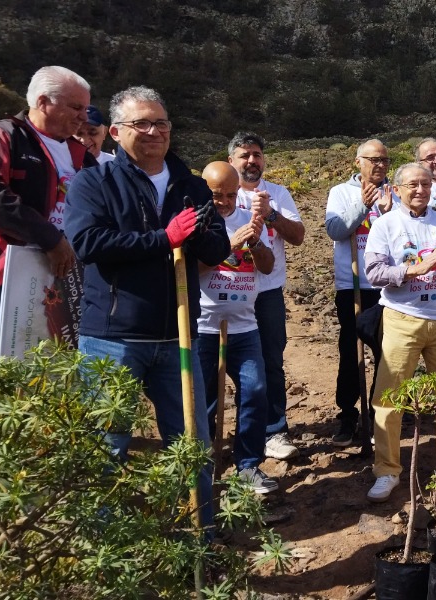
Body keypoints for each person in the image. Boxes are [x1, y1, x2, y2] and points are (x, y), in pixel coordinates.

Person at [66, 86, 230, 528]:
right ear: (116, 132)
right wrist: (164, 239)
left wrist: (193, 235)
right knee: (107, 445)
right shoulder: (94, 182)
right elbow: (87, 243)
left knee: (191, 442)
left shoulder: (191, 186)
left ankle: (200, 538)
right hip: (112, 338)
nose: (154, 131)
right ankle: (104, 546)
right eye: (142, 123)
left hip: (177, 336)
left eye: (161, 123)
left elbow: (217, 248)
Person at [0, 65, 92, 358]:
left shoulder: (81, 154)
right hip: (5, 272)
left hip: (67, 277)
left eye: (86, 108)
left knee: (52, 367)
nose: (84, 116)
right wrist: (51, 239)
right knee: (3, 364)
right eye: (76, 107)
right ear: (43, 102)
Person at [363, 163, 436, 502]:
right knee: (390, 396)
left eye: (425, 184)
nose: (420, 190)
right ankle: (387, 470)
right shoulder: (385, 224)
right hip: (401, 317)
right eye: (412, 185)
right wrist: (416, 268)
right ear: (396, 190)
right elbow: (374, 273)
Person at [196, 161, 277, 494]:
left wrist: (255, 243)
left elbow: (268, 267)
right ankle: (200, 469)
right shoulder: (198, 223)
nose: (225, 202)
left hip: (245, 326)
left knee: (255, 392)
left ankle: (248, 466)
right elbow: (190, 268)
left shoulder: (249, 219)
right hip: (203, 328)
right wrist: (230, 244)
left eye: (230, 195)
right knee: (203, 401)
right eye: (217, 195)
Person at [227, 131, 306, 462]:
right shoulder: (218, 191)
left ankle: (274, 430)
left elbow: (299, 237)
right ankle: (218, 430)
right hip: (226, 293)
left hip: (267, 293)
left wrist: (272, 214)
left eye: (257, 154)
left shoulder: (277, 193)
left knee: (271, 360)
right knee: (221, 363)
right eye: (244, 155)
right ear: (231, 160)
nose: (251, 161)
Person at [326, 139, 395, 447]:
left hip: (389, 286)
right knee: (350, 350)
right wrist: (364, 206)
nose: (379, 165)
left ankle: (380, 412)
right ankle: (347, 414)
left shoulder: (397, 190)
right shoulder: (341, 193)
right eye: (373, 159)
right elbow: (336, 230)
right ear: (358, 162)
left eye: (384, 160)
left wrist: (389, 212)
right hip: (353, 283)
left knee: (388, 352)